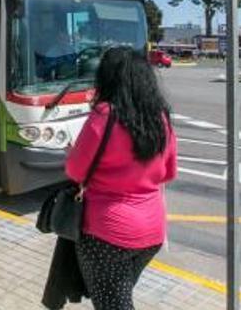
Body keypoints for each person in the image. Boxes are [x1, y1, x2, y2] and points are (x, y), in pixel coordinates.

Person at [64, 47, 177, 310]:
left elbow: (75, 171)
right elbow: (169, 172)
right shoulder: (161, 118)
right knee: (119, 298)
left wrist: (72, 153)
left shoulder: (103, 115)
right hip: (152, 233)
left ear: (107, 78)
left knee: (114, 304)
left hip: (107, 234)